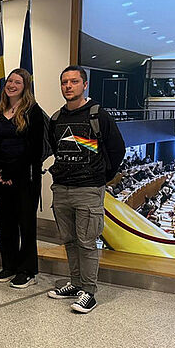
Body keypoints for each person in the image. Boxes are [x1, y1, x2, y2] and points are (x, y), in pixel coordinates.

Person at [47, 65, 125, 313]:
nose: (68, 86)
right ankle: (76, 282)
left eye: (73, 82)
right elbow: (54, 148)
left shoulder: (98, 115)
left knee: (87, 242)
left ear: (84, 84)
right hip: (62, 188)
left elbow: (117, 148)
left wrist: (102, 177)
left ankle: (89, 291)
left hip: (88, 189)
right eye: (64, 82)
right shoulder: (57, 119)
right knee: (69, 240)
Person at [0, 68, 45, 289]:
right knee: (6, 224)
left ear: (25, 87)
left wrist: (11, 173)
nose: (11, 85)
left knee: (25, 225)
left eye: (17, 82)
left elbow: (34, 149)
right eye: (9, 81)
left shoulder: (33, 111)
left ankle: (28, 270)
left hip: (25, 178)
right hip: (2, 177)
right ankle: (9, 265)